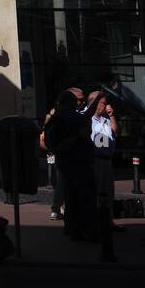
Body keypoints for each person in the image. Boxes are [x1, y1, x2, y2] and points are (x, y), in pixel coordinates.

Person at [44, 90, 97, 242]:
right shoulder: (73, 117)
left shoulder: (55, 119)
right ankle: (88, 229)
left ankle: (72, 229)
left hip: (64, 163)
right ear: (71, 103)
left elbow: (48, 141)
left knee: (70, 196)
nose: (80, 104)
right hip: (79, 163)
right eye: (77, 101)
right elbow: (85, 132)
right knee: (84, 197)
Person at [89, 92, 122, 232]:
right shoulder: (88, 119)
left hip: (107, 160)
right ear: (95, 103)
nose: (106, 105)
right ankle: (95, 223)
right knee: (96, 192)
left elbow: (115, 132)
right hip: (95, 160)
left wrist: (112, 116)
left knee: (109, 193)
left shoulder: (106, 119)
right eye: (103, 102)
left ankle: (109, 221)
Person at [40, 107, 65, 220]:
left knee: (59, 181)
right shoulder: (53, 127)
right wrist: (52, 150)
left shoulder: (49, 126)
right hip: (57, 155)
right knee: (61, 182)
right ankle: (58, 208)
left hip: (55, 153)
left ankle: (58, 208)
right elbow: (42, 140)